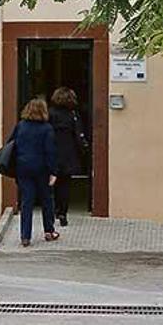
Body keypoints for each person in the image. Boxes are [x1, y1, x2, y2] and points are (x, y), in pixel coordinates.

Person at [12, 98, 60, 247]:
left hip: (23, 168)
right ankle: (49, 231)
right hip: (41, 169)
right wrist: (53, 171)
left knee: (27, 202)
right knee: (46, 200)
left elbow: (12, 144)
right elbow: (50, 152)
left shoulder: (20, 126)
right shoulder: (47, 128)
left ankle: (25, 236)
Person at [49, 87, 88, 227]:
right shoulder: (73, 114)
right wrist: (83, 150)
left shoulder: (50, 113)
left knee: (51, 183)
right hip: (68, 154)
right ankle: (62, 213)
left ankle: (51, 211)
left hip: (52, 153)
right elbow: (79, 134)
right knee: (65, 185)